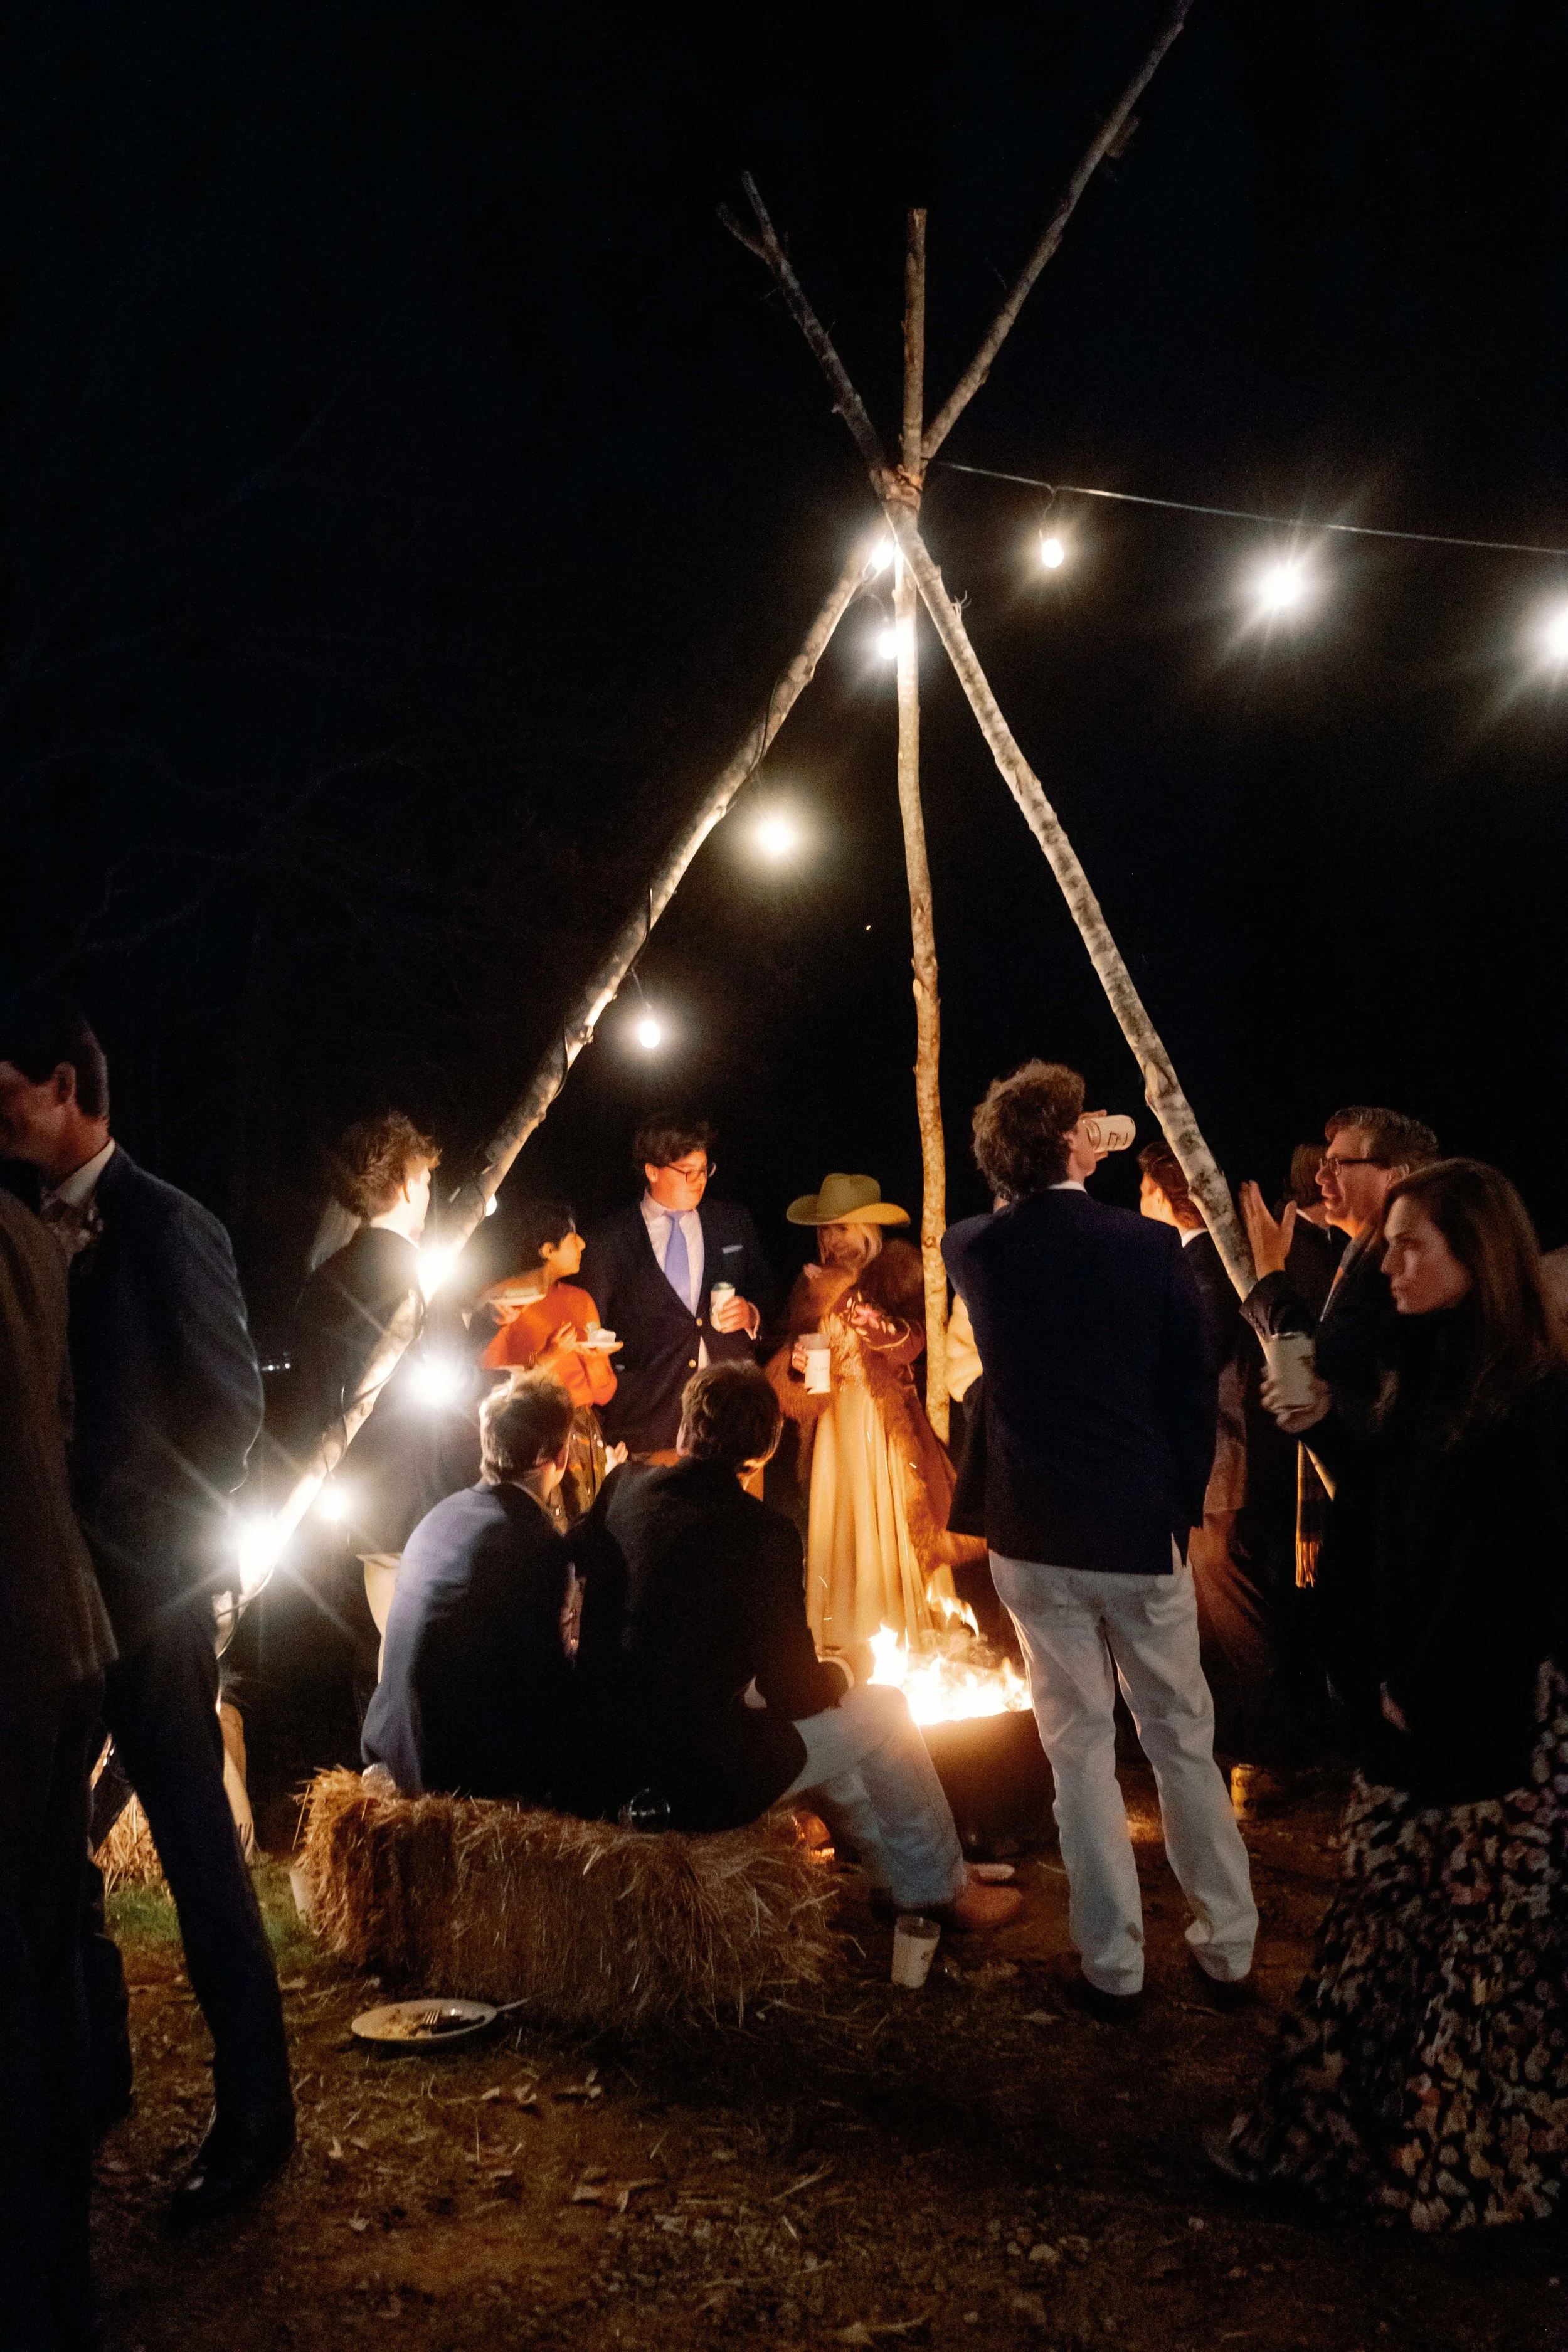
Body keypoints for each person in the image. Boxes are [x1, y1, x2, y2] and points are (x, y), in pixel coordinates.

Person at [1214, 1160, 1568, 2230]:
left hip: (1478, 1722)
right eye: (1388, 1244)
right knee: (1381, 1934)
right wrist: (1321, 1417)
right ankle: (1346, 2135)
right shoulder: (1430, 1364)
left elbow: (1516, 1565)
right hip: (1406, 1701)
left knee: (1475, 1962)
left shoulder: (1530, 1396)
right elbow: (1389, 1490)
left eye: (1413, 1247)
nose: (1390, 1265)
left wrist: (1430, 1680)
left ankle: (1466, 2173)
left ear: (1480, 1259)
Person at [0, 1004, 292, 2228]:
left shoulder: (170, 1224)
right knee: (54, 1856)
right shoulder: (22, 1229)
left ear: (66, 1087)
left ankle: (255, 2120)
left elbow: (232, 1414)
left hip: (149, 1602)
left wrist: (134, 1541)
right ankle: (95, 2070)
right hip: (48, 1610)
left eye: (7, 1089)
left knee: (193, 1852)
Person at [943, 1061, 1256, 2015]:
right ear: (1074, 1145)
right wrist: (1177, 1498)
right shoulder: (1150, 1247)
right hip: (1131, 1523)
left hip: (1031, 1528)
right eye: (1086, 1126)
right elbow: (1190, 1394)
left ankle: (1113, 1960)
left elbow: (1007, 1217)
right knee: (1179, 1738)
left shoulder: (973, 1248)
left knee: (1076, 1747)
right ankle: (1228, 1945)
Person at [573, 1361, 1022, 1928]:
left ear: (684, 1430)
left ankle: (903, 1876)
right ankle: (941, 1892)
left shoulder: (625, 1486)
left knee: (819, 1736)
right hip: (689, 1780)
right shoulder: (762, 1533)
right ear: (765, 1450)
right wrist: (850, 1666)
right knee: (884, 1710)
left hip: (606, 1753)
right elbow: (798, 1694)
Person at [1, 1192, 117, 2352]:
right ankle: (59, 2274)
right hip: (56, 1631)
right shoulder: (33, 1238)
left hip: (17, 1644)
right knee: (48, 1943)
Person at [289, 1114, 470, 1696]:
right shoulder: (423, 1276)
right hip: (420, 1486)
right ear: (404, 1185)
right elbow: (456, 1382)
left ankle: (371, 1763)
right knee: (417, 1650)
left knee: (372, 1647)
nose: (428, 1193)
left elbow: (310, 1393)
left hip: (352, 1491)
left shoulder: (324, 1280)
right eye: (423, 1178)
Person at [765, 1172, 982, 1649]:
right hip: (831, 1426)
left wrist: (845, 1297)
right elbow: (791, 1363)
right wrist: (797, 1366)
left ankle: (899, 1633)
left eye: (841, 1228)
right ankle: (843, 1638)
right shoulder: (810, 1284)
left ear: (866, 1228)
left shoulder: (900, 1269)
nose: (831, 1240)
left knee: (888, 1523)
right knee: (838, 1523)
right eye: (825, 1230)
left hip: (880, 1423)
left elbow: (913, 1345)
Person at [1240, 1106, 1438, 1586]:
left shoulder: (1388, 1275)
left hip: (1399, 1530)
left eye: (1339, 1164)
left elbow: (1319, 1359)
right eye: (1323, 1163)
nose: (1320, 1175)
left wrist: (1270, 1275)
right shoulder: (1357, 1258)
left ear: (1395, 1176)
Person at [361, 1376, 579, 1801]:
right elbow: (543, 1684)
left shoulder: (440, 1515)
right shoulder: (535, 1542)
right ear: (559, 1455)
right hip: (455, 1770)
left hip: (395, 1742)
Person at [583, 1117, 775, 1461]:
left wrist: (752, 1313)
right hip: (650, 1422)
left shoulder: (732, 1223)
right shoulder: (609, 1241)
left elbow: (767, 1290)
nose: (699, 1181)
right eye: (687, 1171)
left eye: (705, 1170)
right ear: (652, 1171)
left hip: (732, 1421)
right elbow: (590, 1326)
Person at [477, 1200, 617, 1520]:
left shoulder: (580, 1300)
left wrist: (594, 1360)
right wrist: (548, 1360)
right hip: (532, 1439)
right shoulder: (504, 1302)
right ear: (547, 1250)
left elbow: (604, 1394)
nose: (582, 1243)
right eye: (572, 1237)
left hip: (582, 1435)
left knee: (587, 1537)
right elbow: (487, 1386)